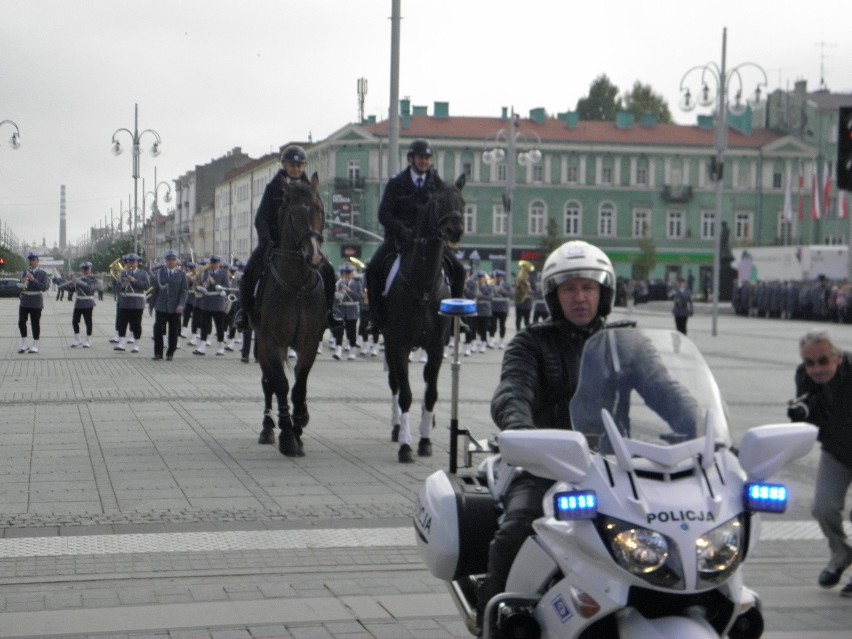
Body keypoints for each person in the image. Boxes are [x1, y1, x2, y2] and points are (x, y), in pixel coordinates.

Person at [234, 145, 342, 332]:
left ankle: (329, 312)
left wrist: (317, 237)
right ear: (285, 165)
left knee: (329, 271)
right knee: (250, 270)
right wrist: (266, 238)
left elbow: (319, 216)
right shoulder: (273, 188)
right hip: (275, 242)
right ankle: (244, 312)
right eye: (292, 165)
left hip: (306, 243)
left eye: (300, 165)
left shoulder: (311, 190)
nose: (296, 169)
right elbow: (261, 218)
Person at [365, 138, 465, 330]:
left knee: (459, 270)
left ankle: (456, 318)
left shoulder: (436, 184)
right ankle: (375, 316)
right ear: (412, 158)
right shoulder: (396, 183)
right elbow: (383, 214)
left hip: (431, 242)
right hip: (399, 241)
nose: (424, 161)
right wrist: (401, 229)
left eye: (427, 158)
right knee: (372, 269)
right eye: (420, 158)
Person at [788, 330, 852, 596]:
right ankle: (841, 555)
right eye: (810, 362)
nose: (816, 368)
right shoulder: (803, 375)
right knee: (823, 508)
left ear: (837, 357)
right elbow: (812, 410)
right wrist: (802, 414)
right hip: (837, 449)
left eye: (823, 361)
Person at [148, 250, 188, 361]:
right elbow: (154, 290)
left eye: (173, 260)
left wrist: (181, 304)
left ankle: (170, 352)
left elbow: (184, 291)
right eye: (169, 260)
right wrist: (151, 305)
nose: (171, 262)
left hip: (175, 308)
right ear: (166, 261)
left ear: (176, 261)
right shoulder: (159, 273)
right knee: (158, 329)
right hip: (161, 306)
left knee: (174, 331)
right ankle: (158, 353)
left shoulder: (181, 274)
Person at [193, 256, 230, 356]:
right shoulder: (205, 273)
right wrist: (202, 286)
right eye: (212, 263)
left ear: (219, 263)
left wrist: (214, 282)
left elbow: (227, 288)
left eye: (216, 263)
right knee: (204, 325)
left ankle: (220, 347)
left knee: (219, 326)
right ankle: (202, 347)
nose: (214, 264)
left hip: (218, 303)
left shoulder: (223, 274)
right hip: (206, 302)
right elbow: (200, 285)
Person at [113, 254, 149, 353]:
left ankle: (136, 345)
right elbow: (117, 288)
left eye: (133, 262)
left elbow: (146, 285)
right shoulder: (122, 273)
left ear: (137, 263)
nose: (131, 264)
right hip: (124, 302)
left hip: (137, 303)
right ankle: (121, 343)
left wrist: (134, 281)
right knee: (122, 323)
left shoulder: (143, 273)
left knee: (136, 325)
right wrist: (123, 285)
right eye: (129, 262)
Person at [17, 251, 50, 354]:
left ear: (37, 262)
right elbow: (21, 286)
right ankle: (25, 343)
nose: (31, 262)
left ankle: (35, 345)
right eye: (30, 260)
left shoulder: (42, 273)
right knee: (21, 322)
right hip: (25, 300)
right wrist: (22, 282)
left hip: (36, 301)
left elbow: (44, 287)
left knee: (35, 323)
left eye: (33, 260)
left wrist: (33, 280)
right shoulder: (24, 272)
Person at [61, 261, 98, 348]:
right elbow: (73, 289)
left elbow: (90, 288)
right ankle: (77, 339)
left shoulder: (93, 279)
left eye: (87, 269)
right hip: (79, 302)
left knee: (88, 321)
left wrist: (80, 282)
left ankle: (88, 340)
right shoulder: (80, 278)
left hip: (88, 302)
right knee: (75, 321)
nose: (85, 271)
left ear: (90, 269)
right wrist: (64, 285)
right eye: (83, 269)